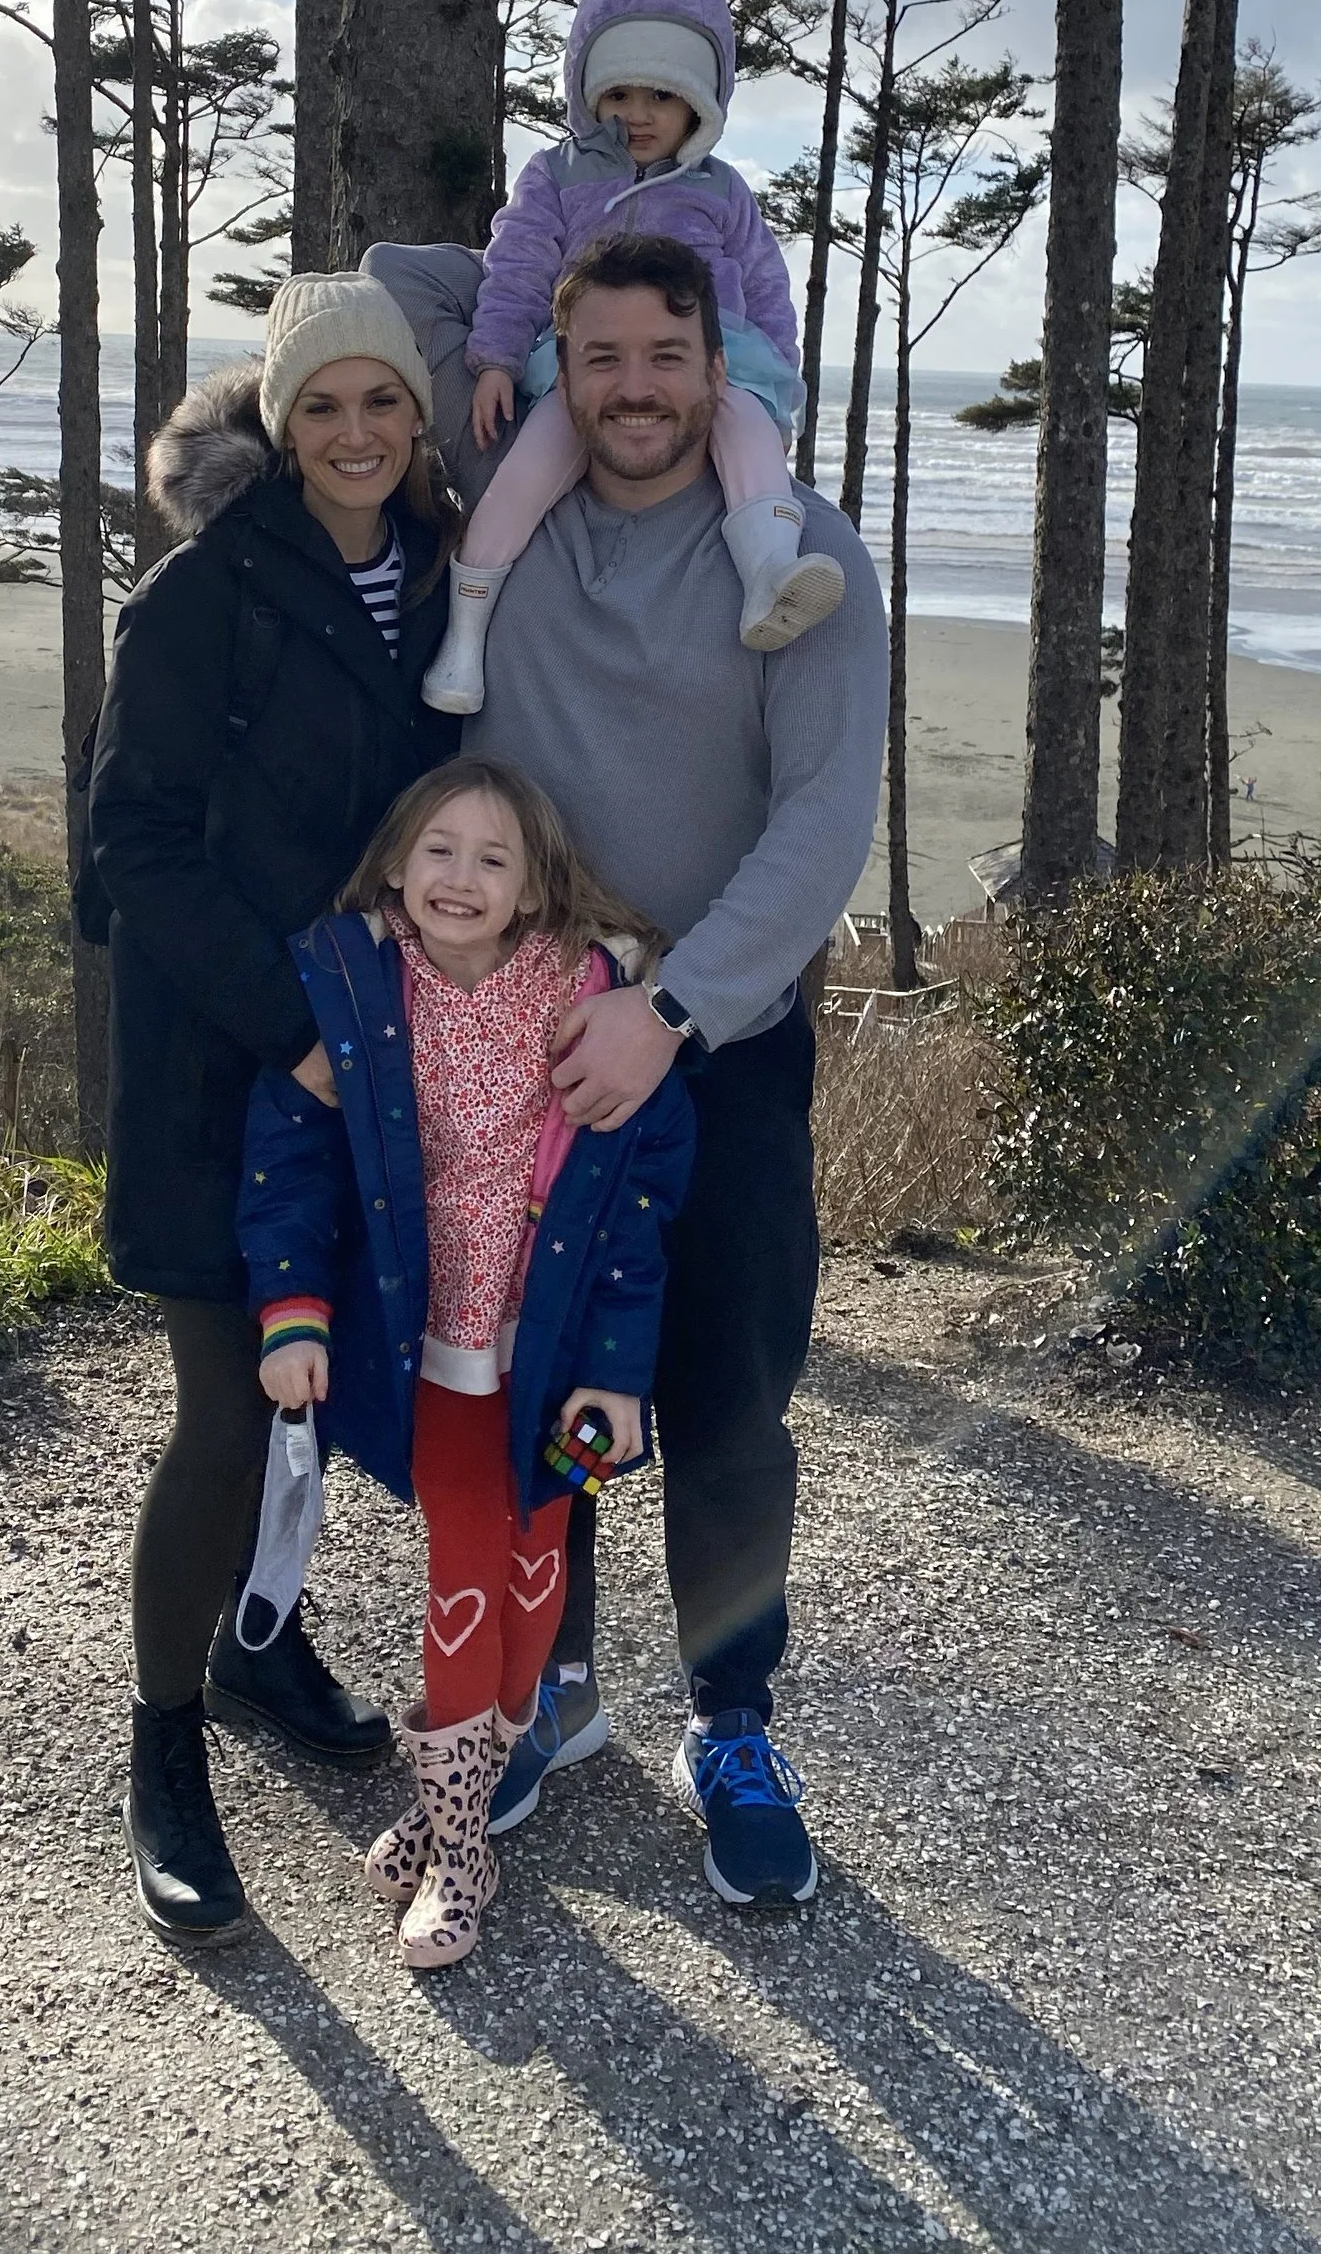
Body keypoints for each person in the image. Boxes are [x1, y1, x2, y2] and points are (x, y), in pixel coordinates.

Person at [450, 236, 887, 1909]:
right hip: (536, 1046)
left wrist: (676, 1010)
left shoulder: (800, 557)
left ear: (725, 364)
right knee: (538, 1389)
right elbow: (399, 311)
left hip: (728, 1054)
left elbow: (822, 828)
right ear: (561, 367)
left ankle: (735, 1717)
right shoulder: (510, 535)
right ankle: (547, 1688)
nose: (634, 387)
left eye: (666, 354)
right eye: (601, 355)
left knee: (722, 1404)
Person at [87, 275, 460, 1943]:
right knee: (232, 1409)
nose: (357, 432)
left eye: (385, 401)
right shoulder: (202, 595)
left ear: (419, 419)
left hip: (367, 1066)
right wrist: (296, 1025)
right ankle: (167, 1749)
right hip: (215, 1066)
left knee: (313, 1386)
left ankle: (257, 1640)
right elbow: (133, 851)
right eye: (323, 405)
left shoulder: (447, 578)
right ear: (277, 420)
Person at [240, 758, 693, 1968]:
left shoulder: (588, 998)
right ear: (396, 864)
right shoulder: (353, 990)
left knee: (537, 1548)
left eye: (495, 859)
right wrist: (292, 1311)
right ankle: (462, 1845)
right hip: (430, 1345)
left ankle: (456, 1816)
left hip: (551, 1352)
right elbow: (286, 1153)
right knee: (465, 1560)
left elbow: (637, 1202)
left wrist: (617, 1370)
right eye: (439, 850)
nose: (462, 877)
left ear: (537, 887)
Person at [415, 0, 842, 715]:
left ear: (700, 103)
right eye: (618, 92)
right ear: (588, 94)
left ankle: (768, 572)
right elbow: (515, 265)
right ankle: (466, 636)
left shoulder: (722, 189)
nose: (638, 114)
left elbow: (768, 285)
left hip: (719, 361)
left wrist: (778, 384)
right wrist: (495, 359)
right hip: (583, 369)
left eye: (660, 94)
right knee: (518, 481)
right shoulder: (558, 174)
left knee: (747, 430)